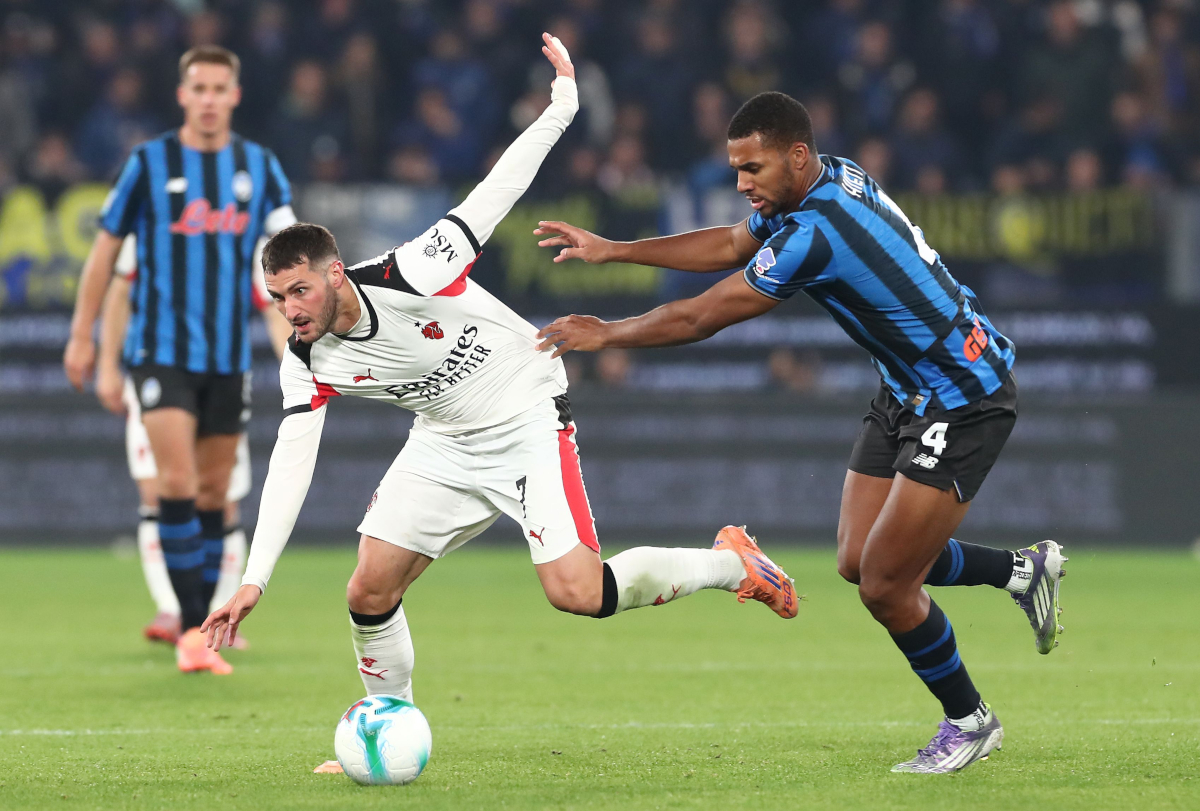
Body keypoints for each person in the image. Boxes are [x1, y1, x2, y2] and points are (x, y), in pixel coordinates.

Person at [200, 36, 797, 774]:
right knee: (369, 586)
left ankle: (729, 564)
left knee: (578, 592)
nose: (290, 310)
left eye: (299, 291)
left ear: (335, 275)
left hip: (523, 413)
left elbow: (496, 189)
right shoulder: (306, 358)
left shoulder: (412, 272)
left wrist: (562, 107)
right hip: (445, 437)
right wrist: (254, 579)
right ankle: (386, 727)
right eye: (277, 299)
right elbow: (292, 462)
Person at [533, 91, 1068, 774]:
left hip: (962, 396)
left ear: (795, 156)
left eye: (751, 168)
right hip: (906, 390)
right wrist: (615, 251)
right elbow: (731, 243)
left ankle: (970, 721)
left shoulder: (817, 230)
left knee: (884, 585)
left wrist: (608, 333)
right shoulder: (828, 177)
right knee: (859, 559)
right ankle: (1022, 571)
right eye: (736, 168)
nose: (741, 183)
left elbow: (702, 316)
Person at [63, 45, 298, 675]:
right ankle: (193, 631)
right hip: (160, 354)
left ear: (235, 95)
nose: (210, 99)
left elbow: (292, 251)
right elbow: (106, 255)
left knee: (215, 492)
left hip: (227, 358)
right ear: (183, 95)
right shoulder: (148, 163)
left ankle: (201, 624)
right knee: (175, 484)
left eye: (221, 88)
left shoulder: (259, 167)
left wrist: (310, 329)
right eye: (200, 88)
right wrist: (83, 336)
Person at [94, 235, 291, 645]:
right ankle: (173, 610)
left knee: (219, 496)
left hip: (222, 373)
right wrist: (107, 364)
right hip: (157, 369)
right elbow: (120, 291)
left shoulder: (243, 227)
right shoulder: (149, 223)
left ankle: (220, 614)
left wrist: (295, 366)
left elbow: (273, 307)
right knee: (158, 492)